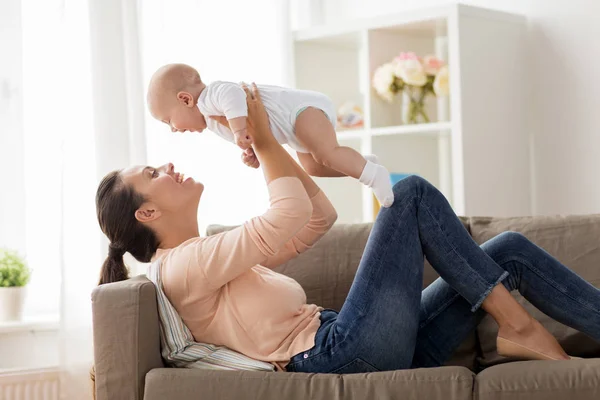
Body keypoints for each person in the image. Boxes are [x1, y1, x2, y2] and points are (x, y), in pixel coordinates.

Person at [96, 83, 599, 374]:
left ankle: (520, 327)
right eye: (153, 175)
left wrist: (279, 144)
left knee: (506, 250)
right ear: (147, 214)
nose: (167, 165)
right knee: (410, 195)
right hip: (340, 353)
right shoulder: (184, 266)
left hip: (357, 342)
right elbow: (286, 217)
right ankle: (517, 326)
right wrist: (266, 144)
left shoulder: (207, 255)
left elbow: (317, 219)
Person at [146, 63, 394, 207]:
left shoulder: (210, 97)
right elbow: (256, 132)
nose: (174, 129)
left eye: (169, 121)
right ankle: (363, 164)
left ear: (185, 99)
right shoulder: (212, 122)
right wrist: (252, 151)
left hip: (301, 112)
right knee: (313, 167)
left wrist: (240, 130)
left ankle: (374, 176)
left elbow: (233, 95)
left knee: (326, 154)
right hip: (293, 128)